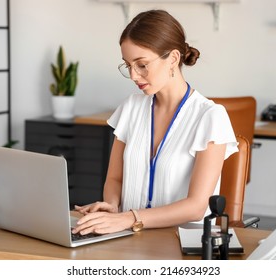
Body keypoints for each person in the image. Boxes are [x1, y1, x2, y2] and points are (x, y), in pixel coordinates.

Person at [72, 9, 237, 235]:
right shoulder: (131, 107)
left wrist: (129, 218)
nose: (133, 75)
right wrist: (112, 206)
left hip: (179, 243)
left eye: (141, 64)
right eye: (127, 65)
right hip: (127, 238)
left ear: (173, 59)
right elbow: (115, 178)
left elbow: (197, 207)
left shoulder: (210, 117)